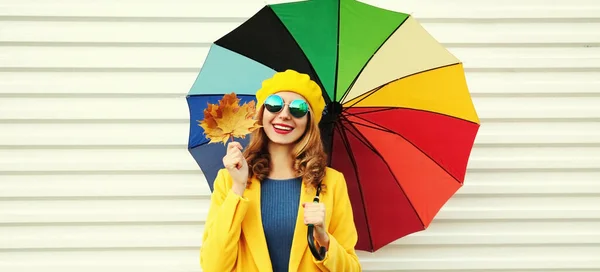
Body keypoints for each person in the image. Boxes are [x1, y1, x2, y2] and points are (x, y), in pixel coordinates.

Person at [200, 69, 362, 272]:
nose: (284, 115)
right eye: (274, 104)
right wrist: (238, 188)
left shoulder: (331, 182)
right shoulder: (229, 180)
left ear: (309, 122)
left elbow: (351, 269)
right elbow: (213, 266)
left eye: (298, 108)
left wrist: (324, 239)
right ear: (262, 113)